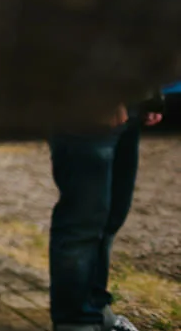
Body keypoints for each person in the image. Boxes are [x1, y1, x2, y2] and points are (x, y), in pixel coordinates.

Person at [48, 96, 165, 331]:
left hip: (128, 103)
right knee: (83, 219)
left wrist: (151, 98)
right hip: (85, 105)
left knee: (111, 215)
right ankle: (75, 322)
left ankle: (95, 308)